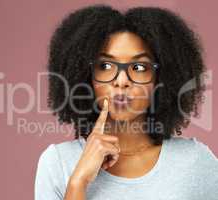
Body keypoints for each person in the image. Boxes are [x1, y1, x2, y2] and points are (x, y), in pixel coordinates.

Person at [34, 4, 218, 200]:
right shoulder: (58, 163)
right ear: (86, 77)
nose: (121, 81)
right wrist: (78, 182)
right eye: (105, 65)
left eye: (139, 67)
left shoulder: (195, 161)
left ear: (161, 79)